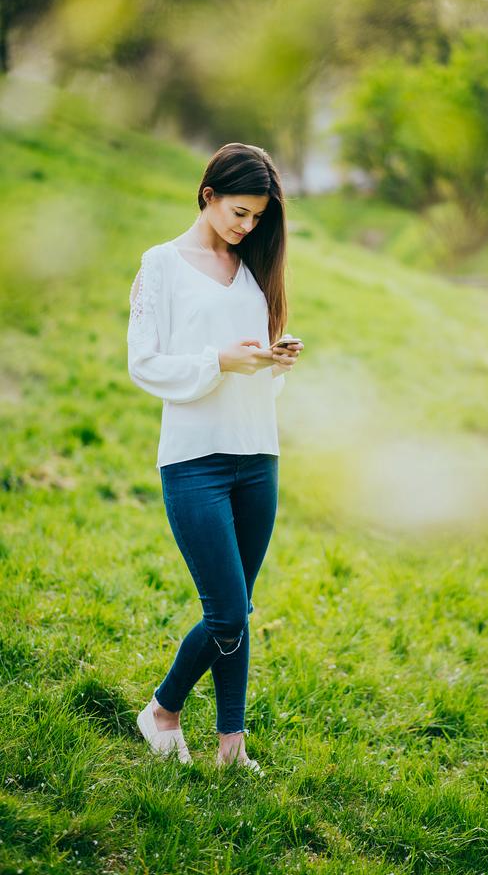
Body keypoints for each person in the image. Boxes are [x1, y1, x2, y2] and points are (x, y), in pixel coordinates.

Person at [127, 142, 303, 774]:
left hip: (258, 453)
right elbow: (144, 363)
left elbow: (251, 366)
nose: (246, 226)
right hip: (194, 460)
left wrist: (270, 361)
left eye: (256, 217)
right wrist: (219, 361)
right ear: (208, 195)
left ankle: (230, 747)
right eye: (238, 211)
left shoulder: (253, 271)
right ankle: (167, 712)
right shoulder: (161, 265)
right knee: (226, 610)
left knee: (240, 608)